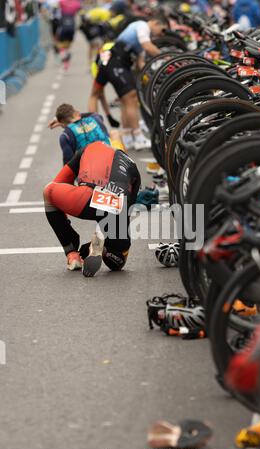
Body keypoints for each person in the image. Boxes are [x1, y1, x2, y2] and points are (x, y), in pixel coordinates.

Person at [43, 141, 141, 277]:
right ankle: (103, 248)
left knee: (49, 192)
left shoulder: (86, 149)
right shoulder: (131, 164)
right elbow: (126, 211)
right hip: (116, 203)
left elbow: (58, 182)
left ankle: (72, 254)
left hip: (87, 196)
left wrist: (65, 223)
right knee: (117, 263)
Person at [88, 12, 170, 151]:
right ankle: (137, 137)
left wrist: (153, 77)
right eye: (163, 30)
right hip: (114, 62)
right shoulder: (143, 26)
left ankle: (126, 137)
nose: (162, 35)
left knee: (114, 97)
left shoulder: (142, 33)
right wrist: (167, 58)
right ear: (156, 22)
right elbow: (148, 47)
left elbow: (140, 63)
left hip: (110, 60)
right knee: (130, 97)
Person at [48, 103, 118, 165]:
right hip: (111, 162)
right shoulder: (95, 118)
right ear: (77, 113)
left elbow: (68, 163)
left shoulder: (66, 135)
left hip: (90, 172)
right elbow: (93, 113)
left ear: (62, 123)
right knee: (114, 133)